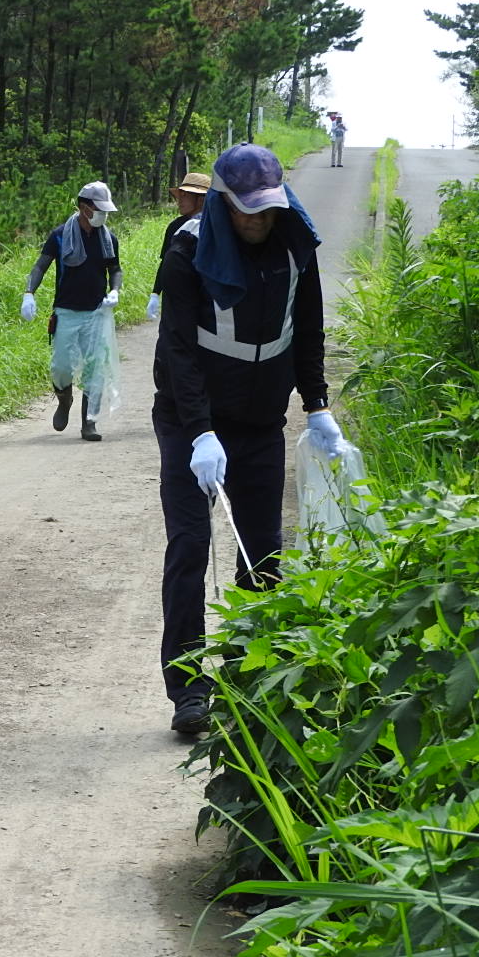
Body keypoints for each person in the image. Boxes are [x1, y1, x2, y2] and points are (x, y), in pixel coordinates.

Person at [151, 144, 350, 734]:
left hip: (263, 422)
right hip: (193, 425)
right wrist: (200, 432)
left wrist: (316, 405)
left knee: (262, 554)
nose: (256, 221)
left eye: (265, 209)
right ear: (222, 202)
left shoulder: (295, 245)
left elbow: (308, 325)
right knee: (189, 547)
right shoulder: (188, 250)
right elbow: (177, 351)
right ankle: (188, 689)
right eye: (245, 211)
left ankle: (253, 679)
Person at [20, 181, 123, 441]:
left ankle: (89, 423)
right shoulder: (60, 235)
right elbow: (40, 266)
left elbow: (115, 270)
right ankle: (64, 400)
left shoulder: (108, 239)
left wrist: (115, 291)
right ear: (83, 208)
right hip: (66, 311)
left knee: (95, 367)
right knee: (61, 367)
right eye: (98, 209)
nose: (103, 215)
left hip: (96, 312)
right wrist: (29, 293)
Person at [146, 171, 211, 321]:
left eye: (185, 195)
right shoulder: (175, 227)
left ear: (201, 200)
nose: (179, 200)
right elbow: (165, 262)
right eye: (179, 195)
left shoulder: (213, 227)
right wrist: (155, 293)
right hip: (176, 300)